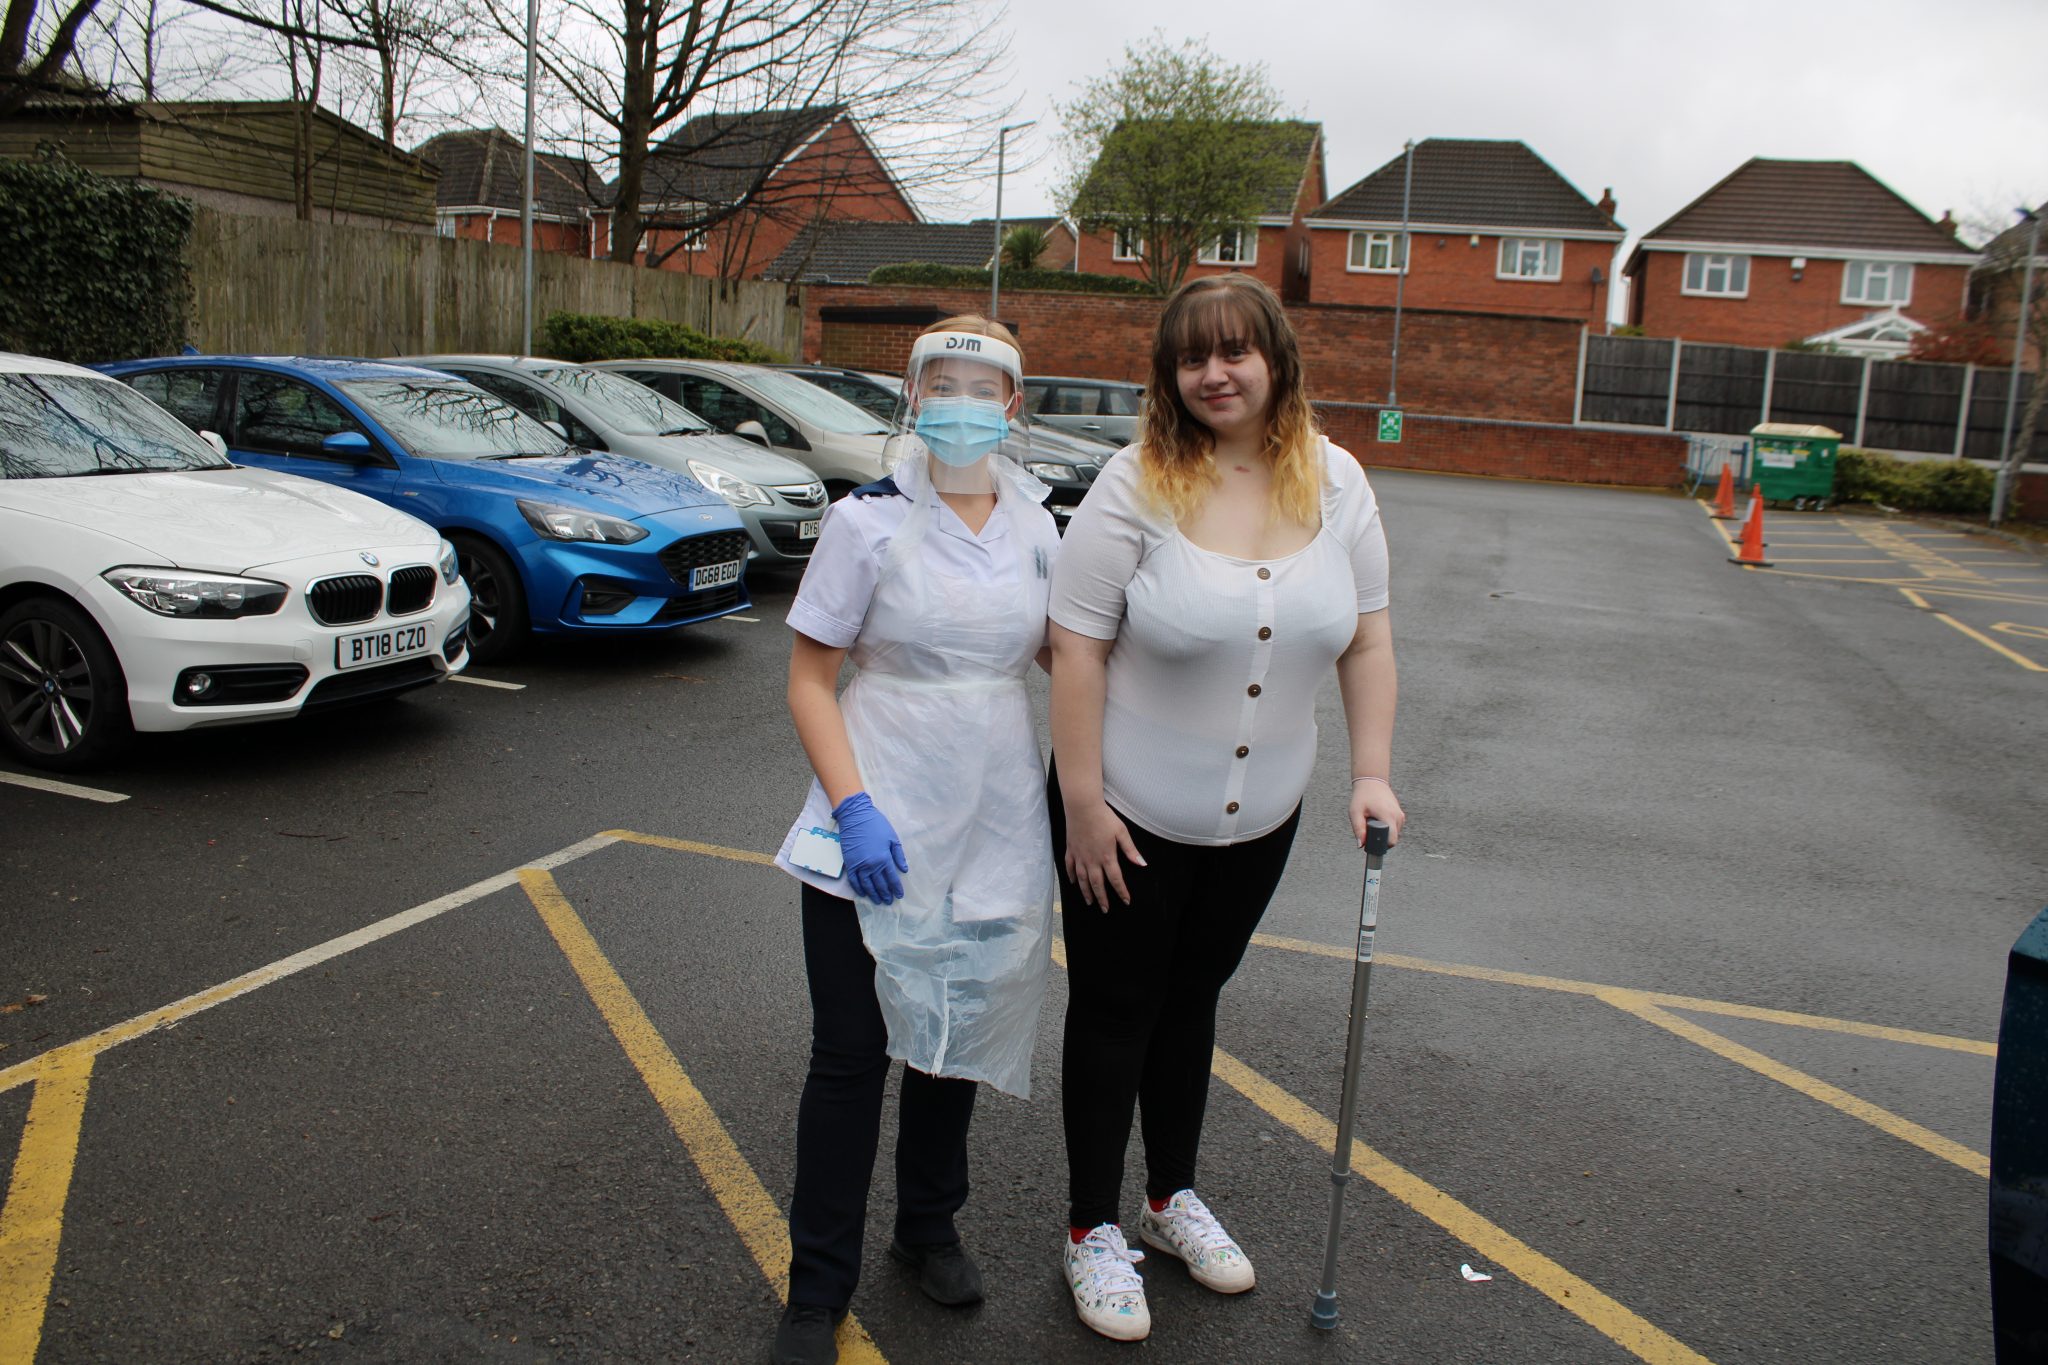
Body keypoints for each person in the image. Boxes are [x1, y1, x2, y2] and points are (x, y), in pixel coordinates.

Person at [1046, 274, 1404, 1342]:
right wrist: (1079, 802)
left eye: (1235, 351)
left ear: (1275, 359)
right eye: (1192, 356)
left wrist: (1370, 771)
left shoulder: (1337, 484)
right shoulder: (1131, 484)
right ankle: (1088, 1231)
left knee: (1191, 999)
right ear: (1167, 376)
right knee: (1114, 1014)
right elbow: (1074, 645)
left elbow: (1369, 637)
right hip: (1125, 810)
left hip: (1260, 817)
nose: (1214, 372)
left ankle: (1167, 1202)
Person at [769, 316, 1062, 1365]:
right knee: (850, 1056)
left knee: (950, 1043)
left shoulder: (1037, 526)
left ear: (1013, 407)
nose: (964, 402)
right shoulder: (867, 521)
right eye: (945, 382)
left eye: (985, 387)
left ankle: (927, 1227)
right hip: (876, 812)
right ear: (912, 395)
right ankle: (817, 1287)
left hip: (990, 819)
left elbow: (1065, 663)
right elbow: (810, 677)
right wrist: (852, 808)